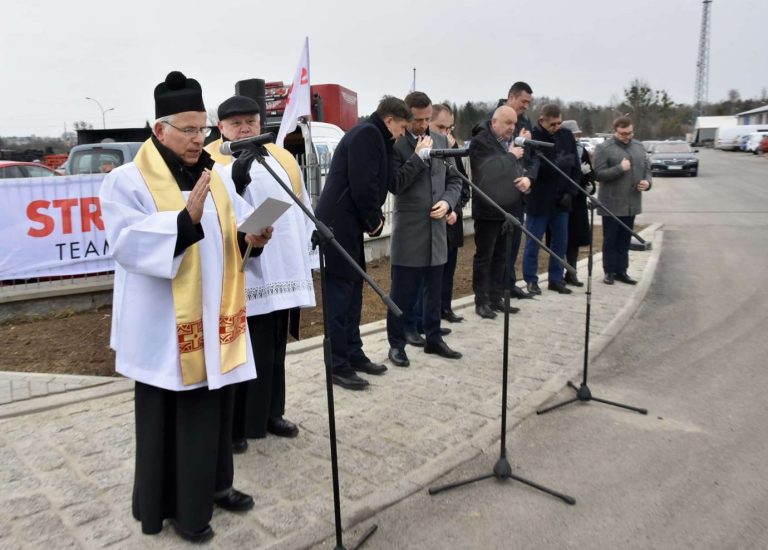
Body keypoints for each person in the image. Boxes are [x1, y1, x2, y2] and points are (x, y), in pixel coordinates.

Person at [99, 71, 268, 544]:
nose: (200, 139)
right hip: (164, 329)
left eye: (203, 129)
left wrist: (249, 239)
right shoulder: (126, 180)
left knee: (217, 407)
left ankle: (217, 485)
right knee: (180, 416)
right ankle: (179, 509)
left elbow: (226, 240)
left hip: (216, 318)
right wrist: (182, 222)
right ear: (160, 130)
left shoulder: (211, 177)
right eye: (189, 130)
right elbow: (126, 245)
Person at [205, 95, 317, 451]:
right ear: (221, 127)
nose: (245, 128)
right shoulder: (211, 159)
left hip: (279, 268)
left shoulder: (280, 156)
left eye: (250, 122)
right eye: (236, 123)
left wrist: (307, 253)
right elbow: (215, 214)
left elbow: (300, 208)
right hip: (243, 272)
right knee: (244, 351)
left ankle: (272, 412)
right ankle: (237, 426)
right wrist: (236, 182)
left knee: (274, 349)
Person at [314, 96, 411, 390]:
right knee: (340, 297)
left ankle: (354, 353)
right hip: (337, 225)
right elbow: (363, 183)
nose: (403, 134)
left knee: (354, 292)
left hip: (348, 224)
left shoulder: (375, 135)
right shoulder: (368, 134)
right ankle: (338, 365)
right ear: (390, 120)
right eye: (402, 127)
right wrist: (374, 219)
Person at [386, 92, 463, 368]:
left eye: (427, 119)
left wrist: (447, 202)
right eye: (418, 120)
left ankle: (433, 337)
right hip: (410, 231)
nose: (423, 125)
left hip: (437, 230)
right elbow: (395, 184)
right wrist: (417, 158)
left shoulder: (442, 141)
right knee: (402, 292)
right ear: (407, 117)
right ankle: (397, 344)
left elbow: (455, 180)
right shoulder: (396, 145)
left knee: (435, 289)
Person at [469, 105, 531, 319]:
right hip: (488, 210)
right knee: (485, 257)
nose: (512, 128)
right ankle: (481, 301)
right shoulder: (481, 142)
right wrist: (511, 156)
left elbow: (514, 170)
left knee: (502, 257)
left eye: (514, 124)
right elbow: (487, 173)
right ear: (495, 122)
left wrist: (524, 181)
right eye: (508, 123)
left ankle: (496, 298)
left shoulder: (510, 143)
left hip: (509, 209)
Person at [523, 104, 581, 295]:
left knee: (560, 242)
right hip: (539, 199)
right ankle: (531, 279)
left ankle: (556, 278)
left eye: (559, 123)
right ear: (542, 120)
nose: (556, 127)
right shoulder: (534, 138)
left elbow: (575, 169)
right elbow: (530, 165)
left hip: (561, 201)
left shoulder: (567, 137)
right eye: (553, 124)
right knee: (534, 241)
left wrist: (570, 193)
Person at [593, 116, 652, 285]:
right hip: (611, 204)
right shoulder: (604, 148)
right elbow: (598, 174)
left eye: (630, 133)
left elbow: (647, 169)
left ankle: (622, 271)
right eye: (623, 133)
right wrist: (620, 168)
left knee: (625, 239)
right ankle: (609, 271)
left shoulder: (639, 147)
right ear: (615, 131)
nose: (627, 136)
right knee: (611, 239)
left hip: (631, 202)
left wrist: (647, 183)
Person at [430, 103, 470, 323]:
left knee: (449, 270)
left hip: (453, 219)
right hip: (436, 219)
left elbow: (461, 183)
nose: (446, 133)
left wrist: (456, 208)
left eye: (449, 128)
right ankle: (431, 315)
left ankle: (445, 307)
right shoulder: (427, 148)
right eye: (441, 127)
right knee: (433, 276)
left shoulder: (451, 148)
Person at [502, 81, 536, 300]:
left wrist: (529, 178)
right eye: (523, 101)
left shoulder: (526, 122)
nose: (526, 106)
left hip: (519, 192)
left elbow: (534, 159)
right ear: (511, 97)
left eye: (529, 103)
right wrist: (511, 150)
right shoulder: (492, 118)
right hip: (498, 193)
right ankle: (493, 290)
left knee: (514, 243)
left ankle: (509, 283)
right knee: (497, 248)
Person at [559, 120, 595, 286]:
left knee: (575, 239)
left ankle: (571, 272)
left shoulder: (583, 151)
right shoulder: (558, 149)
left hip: (578, 199)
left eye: (577, 135)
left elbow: (590, 173)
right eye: (573, 135)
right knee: (559, 238)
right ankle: (557, 273)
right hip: (561, 199)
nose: (576, 138)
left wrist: (590, 184)